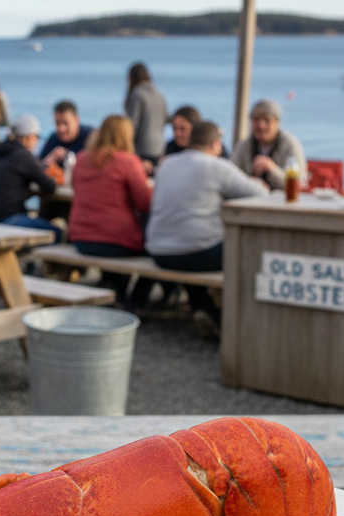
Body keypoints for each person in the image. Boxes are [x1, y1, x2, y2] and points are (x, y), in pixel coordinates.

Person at [147, 121, 267, 339]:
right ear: (216, 144)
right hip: (198, 254)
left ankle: (205, 310)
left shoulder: (167, 165)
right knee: (244, 254)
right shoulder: (217, 167)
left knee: (189, 243)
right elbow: (260, 194)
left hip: (159, 253)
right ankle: (235, 320)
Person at [68, 114, 154, 310]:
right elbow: (145, 202)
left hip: (81, 239)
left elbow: (75, 188)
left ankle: (112, 288)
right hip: (117, 241)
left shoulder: (81, 160)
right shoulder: (128, 161)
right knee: (157, 249)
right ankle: (136, 302)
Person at [0, 114, 60, 240]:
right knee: (57, 232)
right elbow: (50, 186)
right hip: (4, 220)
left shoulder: (2, 151)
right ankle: (35, 258)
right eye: (36, 137)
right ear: (27, 138)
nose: (37, 142)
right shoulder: (23, 156)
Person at [230, 99, 305, 191]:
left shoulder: (290, 145)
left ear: (277, 122)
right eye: (256, 120)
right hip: (249, 200)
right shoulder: (243, 146)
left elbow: (300, 183)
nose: (261, 125)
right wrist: (249, 182)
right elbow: (230, 177)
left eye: (267, 120)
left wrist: (272, 169)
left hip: (280, 202)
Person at [124, 63, 168, 167]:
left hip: (141, 148)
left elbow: (132, 124)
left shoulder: (137, 93)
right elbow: (166, 118)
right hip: (159, 147)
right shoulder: (158, 93)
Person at [39, 100, 93, 165]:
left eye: (65, 123)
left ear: (76, 120)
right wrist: (51, 158)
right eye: (58, 123)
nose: (61, 129)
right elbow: (38, 167)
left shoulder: (91, 137)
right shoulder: (54, 138)